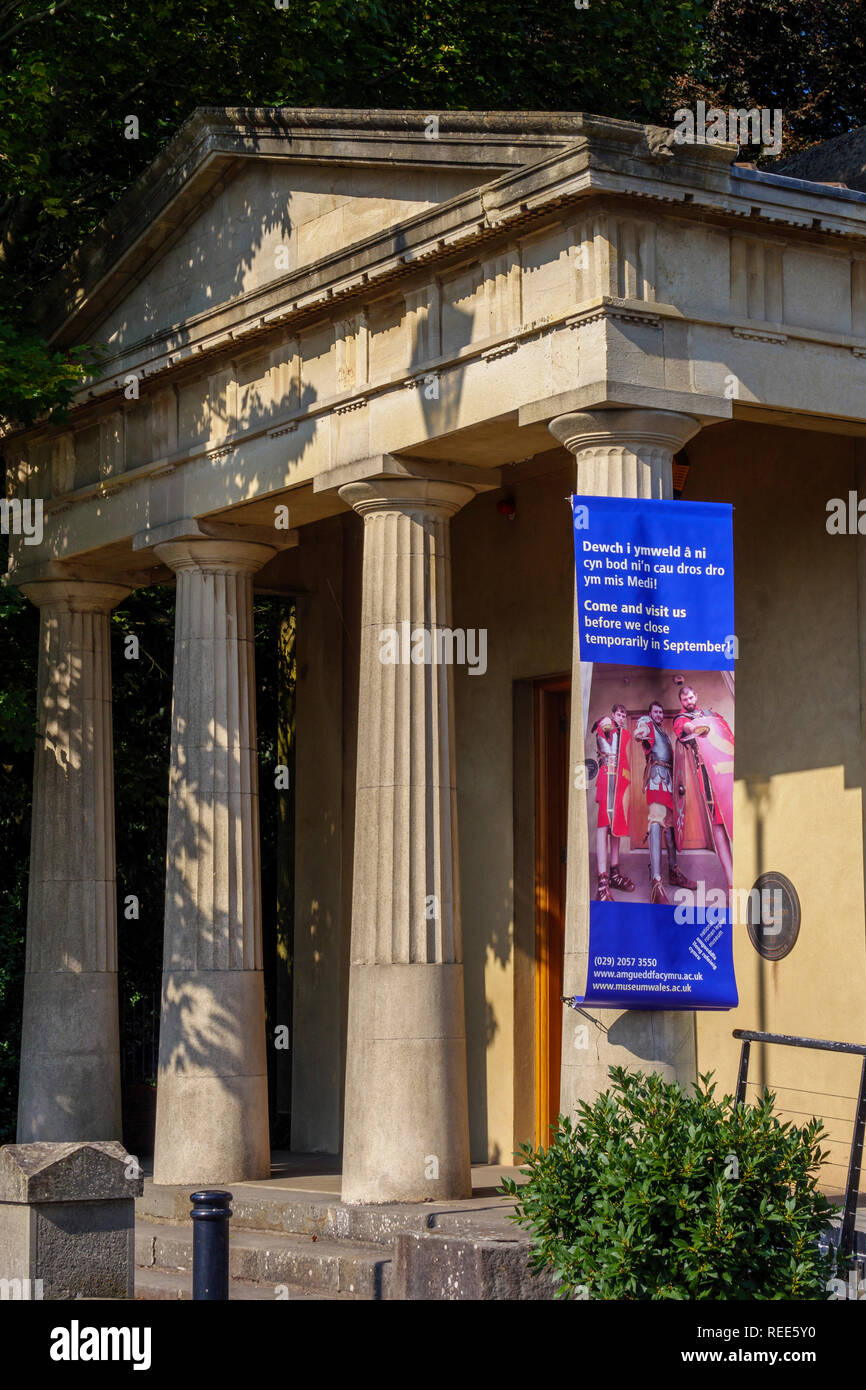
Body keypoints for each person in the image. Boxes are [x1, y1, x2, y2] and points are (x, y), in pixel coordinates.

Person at [635, 701, 698, 905]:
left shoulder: (664, 733)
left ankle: (673, 871)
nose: (659, 715)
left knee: (670, 829)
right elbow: (642, 729)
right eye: (656, 711)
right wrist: (641, 732)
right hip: (656, 780)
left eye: (661, 712)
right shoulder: (648, 723)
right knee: (656, 823)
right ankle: (656, 882)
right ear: (650, 713)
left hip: (669, 782)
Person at [673, 683, 734, 889]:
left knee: (735, 818)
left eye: (691, 697)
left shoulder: (710, 714)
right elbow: (685, 729)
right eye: (685, 699)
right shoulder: (682, 718)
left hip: (726, 772)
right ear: (681, 702)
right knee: (718, 825)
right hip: (707, 775)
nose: (689, 701)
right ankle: (732, 882)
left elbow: (726, 736)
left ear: (696, 695)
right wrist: (695, 727)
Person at [592, 703, 634, 902]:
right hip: (606, 777)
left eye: (623, 714)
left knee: (616, 827)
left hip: (618, 783)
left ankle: (614, 873)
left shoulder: (623, 732)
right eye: (618, 713)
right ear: (612, 714)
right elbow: (604, 727)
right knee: (603, 826)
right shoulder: (605, 723)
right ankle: (602, 882)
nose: (621, 717)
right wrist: (608, 723)